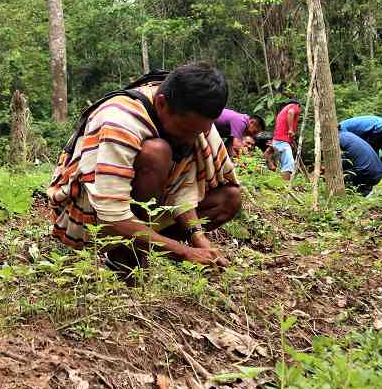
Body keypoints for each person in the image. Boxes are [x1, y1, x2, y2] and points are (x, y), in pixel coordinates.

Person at [47, 63, 243, 273]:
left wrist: (198, 238)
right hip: (91, 215)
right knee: (156, 152)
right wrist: (185, 252)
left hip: (149, 207)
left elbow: (182, 187)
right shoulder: (119, 119)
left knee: (229, 198)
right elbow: (112, 215)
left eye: (199, 132)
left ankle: (141, 248)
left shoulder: (192, 121)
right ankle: (125, 256)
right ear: (161, 104)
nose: (191, 139)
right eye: (185, 131)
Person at [339, 115, 382, 189]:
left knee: (368, 159)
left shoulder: (341, 129)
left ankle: (367, 187)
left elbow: (349, 143)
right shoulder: (348, 124)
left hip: (379, 131)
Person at [338, 131, 382, 196]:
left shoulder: (336, 140)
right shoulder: (347, 134)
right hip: (378, 172)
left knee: (335, 173)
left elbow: (340, 164)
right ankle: (365, 189)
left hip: (367, 174)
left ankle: (363, 192)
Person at [268, 99, 302, 181]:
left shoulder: (282, 111)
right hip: (282, 140)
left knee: (283, 164)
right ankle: (284, 187)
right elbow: (291, 112)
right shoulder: (294, 106)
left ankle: (280, 183)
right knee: (289, 164)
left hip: (278, 140)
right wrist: (291, 130)